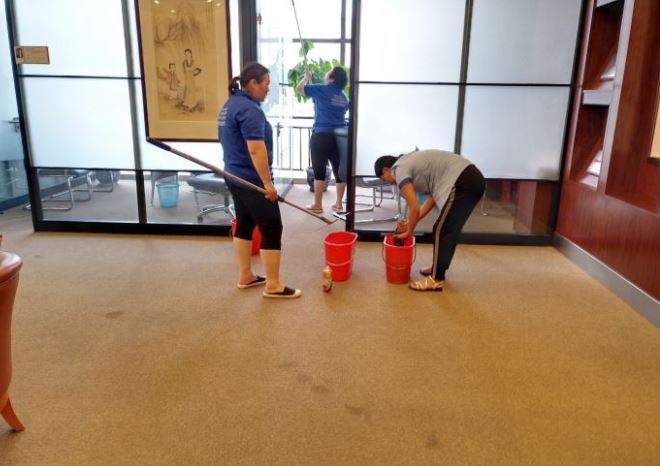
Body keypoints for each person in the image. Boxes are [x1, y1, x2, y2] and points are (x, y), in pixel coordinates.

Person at [219, 62, 302, 299]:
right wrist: (267, 184)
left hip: (234, 175)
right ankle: (273, 285)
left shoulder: (230, 104)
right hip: (251, 180)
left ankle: (246, 275)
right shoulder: (249, 109)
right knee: (272, 227)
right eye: (266, 83)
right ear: (253, 83)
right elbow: (256, 149)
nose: (268, 88)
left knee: (245, 224)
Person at [374, 149, 485, 291]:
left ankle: (436, 279)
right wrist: (409, 224)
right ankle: (437, 269)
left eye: (383, 179)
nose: (387, 183)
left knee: (442, 230)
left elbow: (414, 207)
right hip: (470, 179)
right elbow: (431, 199)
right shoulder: (410, 163)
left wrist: (409, 232)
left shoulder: (399, 169)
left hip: (464, 180)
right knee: (447, 228)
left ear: (386, 170)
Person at [296, 66, 349, 213]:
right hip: (339, 137)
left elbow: (299, 89)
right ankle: (339, 204)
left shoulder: (323, 88)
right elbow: (343, 110)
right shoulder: (343, 95)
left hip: (321, 135)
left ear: (332, 76)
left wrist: (306, 78)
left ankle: (318, 205)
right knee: (339, 171)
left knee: (319, 170)